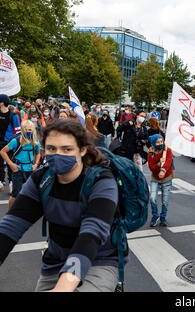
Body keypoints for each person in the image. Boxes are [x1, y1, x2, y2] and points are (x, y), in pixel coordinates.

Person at [0, 120, 121, 292]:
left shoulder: (101, 181)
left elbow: (91, 235)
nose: (58, 155)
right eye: (51, 149)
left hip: (98, 261)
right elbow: (11, 226)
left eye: (67, 149)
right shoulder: (41, 180)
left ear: (82, 150)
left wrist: (62, 288)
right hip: (56, 261)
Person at [0, 120, 40, 209]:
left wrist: (36, 164)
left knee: (29, 193)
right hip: (18, 170)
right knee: (15, 194)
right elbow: (2, 151)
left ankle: (25, 212)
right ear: (22, 130)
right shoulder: (16, 141)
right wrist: (11, 164)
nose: (28, 131)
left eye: (30, 129)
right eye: (26, 129)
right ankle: (10, 214)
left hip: (30, 170)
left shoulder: (35, 142)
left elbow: (38, 153)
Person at [148, 134, 173, 227]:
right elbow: (151, 167)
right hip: (155, 178)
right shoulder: (151, 152)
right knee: (152, 198)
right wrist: (159, 164)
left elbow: (168, 162)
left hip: (166, 178)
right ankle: (155, 216)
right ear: (154, 143)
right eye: (158, 142)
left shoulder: (168, 150)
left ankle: (163, 218)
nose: (160, 143)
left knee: (165, 201)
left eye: (161, 141)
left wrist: (163, 170)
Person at [0, 94, 21, 192]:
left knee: (10, 164)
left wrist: (15, 143)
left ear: (2, 103)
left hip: (9, 144)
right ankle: (1, 181)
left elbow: (18, 132)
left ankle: (12, 184)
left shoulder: (13, 115)